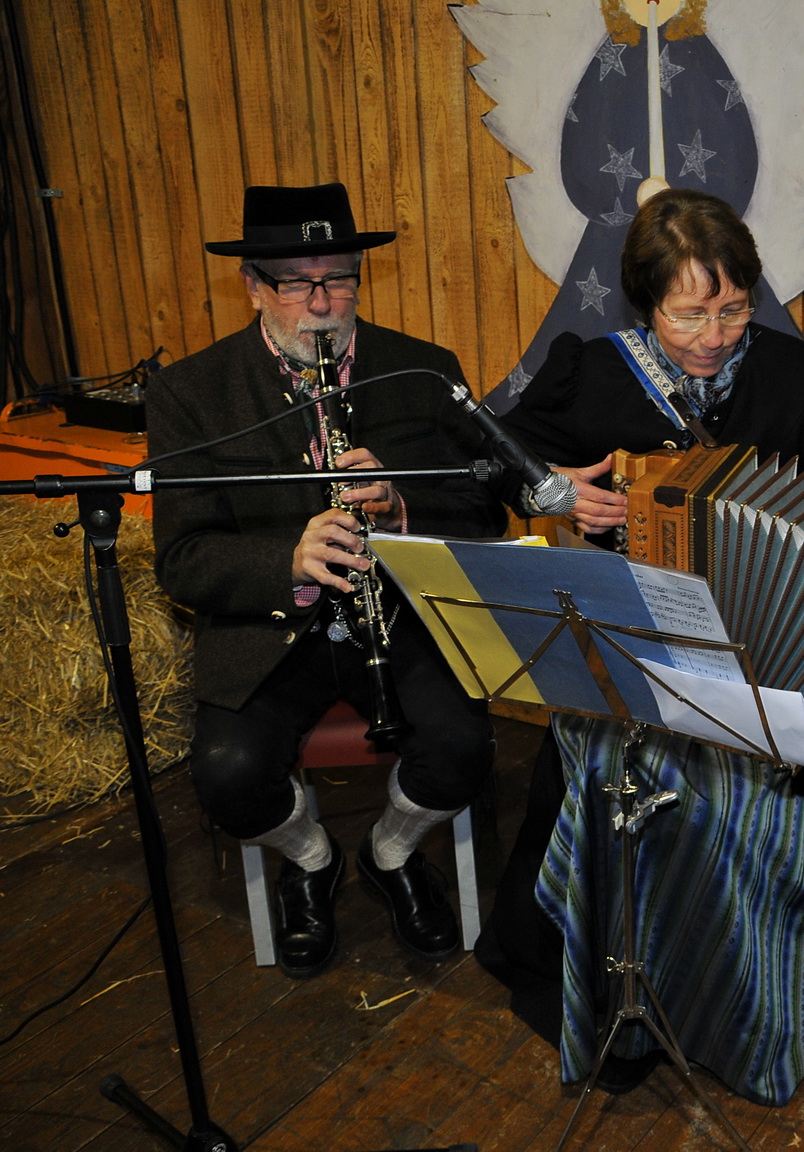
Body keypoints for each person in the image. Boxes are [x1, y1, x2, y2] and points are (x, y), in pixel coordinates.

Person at [476, 187, 804, 1106]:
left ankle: (748, 974)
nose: (713, 333)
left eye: (732, 308)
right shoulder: (590, 373)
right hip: (648, 634)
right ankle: (618, 970)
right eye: (688, 313)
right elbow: (499, 454)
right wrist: (552, 493)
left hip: (784, 633)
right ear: (645, 303)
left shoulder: (803, 375)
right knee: (609, 755)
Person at [149, 183, 508, 978]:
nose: (321, 301)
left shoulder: (423, 370)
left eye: (339, 277)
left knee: (463, 747)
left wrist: (404, 501)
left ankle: (390, 851)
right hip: (273, 627)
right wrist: (288, 556)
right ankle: (310, 857)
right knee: (228, 777)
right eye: (295, 282)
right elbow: (182, 559)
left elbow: (485, 510)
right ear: (252, 286)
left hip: (403, 615)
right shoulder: (191, 394)